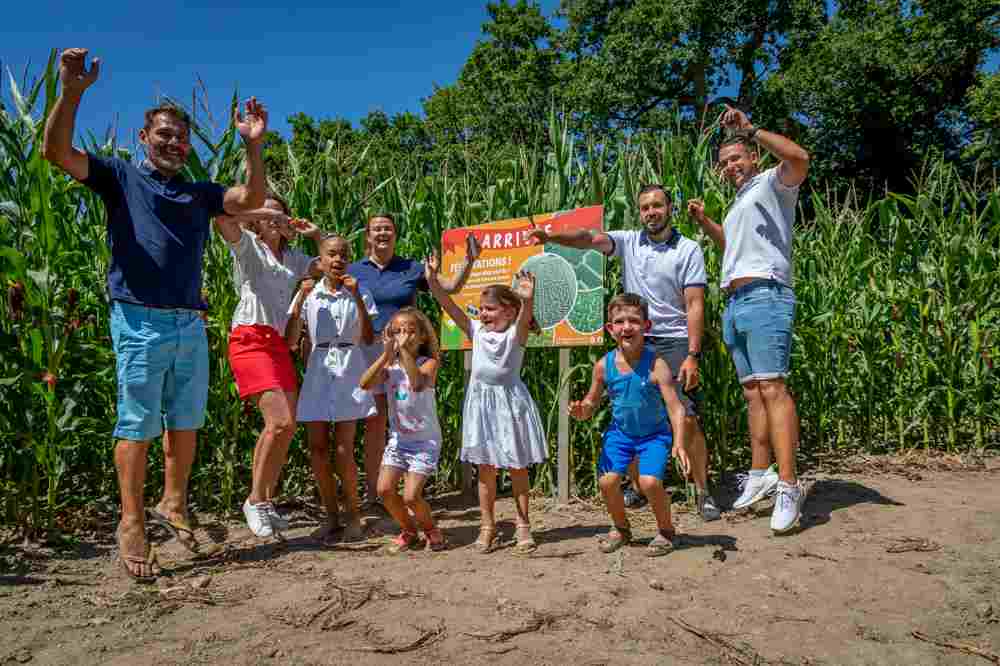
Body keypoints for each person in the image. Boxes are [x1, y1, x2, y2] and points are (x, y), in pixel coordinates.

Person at [42, 48, 270, 581]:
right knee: (138, 425)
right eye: (163, 134)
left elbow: (251, 195)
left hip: (190, 320)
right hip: (139, 318)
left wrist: (253, 146)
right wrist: (72, 91)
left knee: (185, 423)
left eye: (180, 137)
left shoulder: (200, 193)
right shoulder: (119, 176)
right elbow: (56, 152)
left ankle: (173, 503)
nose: (173, 143)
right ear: (144, 139)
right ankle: (130, 522)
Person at [528, 186, 721, 521]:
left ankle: (703, 490)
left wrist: (693, 354)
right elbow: (588, 238)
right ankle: (638, 484)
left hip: (673, 339)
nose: (651, 212)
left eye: (657, 205)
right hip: (635, 337)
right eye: (645, 207)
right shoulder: (629, 241)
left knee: (687, 416)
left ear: (669, 208)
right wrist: (552, 237)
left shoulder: (687, 249)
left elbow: (694, 304)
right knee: (630, 415)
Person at [686, 104, 810, 533]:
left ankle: (790, 485)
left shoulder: (774, 184)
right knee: (753, 393)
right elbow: (733, 249)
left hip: (766, 294)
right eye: (724, 163)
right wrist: (706, 223)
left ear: (754, 158)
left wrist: (751, 129)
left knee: (774, 388)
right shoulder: (740, 201)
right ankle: (761, 474)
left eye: (736, 158)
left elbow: (800, 158)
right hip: (736, 300)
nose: (730, 166)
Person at [349, 214, 478, 507]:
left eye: (388, 229)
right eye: (376, 229)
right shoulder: (355, 270)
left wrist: (468, 261)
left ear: (395, 235)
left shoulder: (410, 268)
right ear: (367, 236)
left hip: (407, 354)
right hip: (369, 352)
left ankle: (408, 486)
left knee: (403, 416)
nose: (382, 233)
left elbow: (447, 287)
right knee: (374, 422)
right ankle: (374, 491)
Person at [214, 196, 322, 537]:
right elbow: (223, 218)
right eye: (267, 212)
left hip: (276, 343)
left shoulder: (292, 258)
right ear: (258, 220)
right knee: (279, 421)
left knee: (287, 428)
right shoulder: (248, 246)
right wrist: (262, 212)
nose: (275, 217)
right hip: (249, 338)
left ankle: (265, 499)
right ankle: (255, 501)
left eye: (280, 211)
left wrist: (315, 235)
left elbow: (330, 263)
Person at [426, 253, 547, 554]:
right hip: (481, 404)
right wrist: (432, 281)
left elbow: (523, 319)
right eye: (481, 309)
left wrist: (527, 300)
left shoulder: (515, 335)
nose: (483, 314)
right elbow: (448, 306)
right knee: (486, 469)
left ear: (509, 311)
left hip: (509, 403)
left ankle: (522, 525)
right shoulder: (476, 331)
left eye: (490, 309)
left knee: (517, 467)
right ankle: (487, 526)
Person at [569, 294, 691, 556]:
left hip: (654, 436)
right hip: (620, 433)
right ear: (610, 329)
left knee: (649, 483)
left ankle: (666, 531)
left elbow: (675, 406)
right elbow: (590, 403)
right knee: (607, 482)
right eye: (619, 321)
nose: (627, 327)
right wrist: (582, 411)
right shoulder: (603, 366)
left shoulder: (657, 364)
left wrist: (679, 443)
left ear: (646, 326)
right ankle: (621, 528)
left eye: (634, 321)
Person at [286, 234, 376, 542]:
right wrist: (299, 299)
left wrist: (359, 297)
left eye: (343, 255)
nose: (337, 260)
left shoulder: (357, 291)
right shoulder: (309, 294)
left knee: (343, 448)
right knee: (318, 448)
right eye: (331, 254)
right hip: (319, 367)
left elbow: (368, 336)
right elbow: (290, 340)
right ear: (320, 260)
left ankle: (354, 514)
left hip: (350, 365)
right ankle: (331, 515)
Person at [360, 308, 447, 553]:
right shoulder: (390, 367)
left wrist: (404, 353)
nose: (402, 335)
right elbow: (365, 384)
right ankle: (409, 530)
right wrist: (385, 356)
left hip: (424, 442)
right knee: (384, 490)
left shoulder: (428, 363)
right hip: (399, 441)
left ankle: (431, 529)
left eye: (409, 331)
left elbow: (417, 383)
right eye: (397, 331)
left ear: (421, 337)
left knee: (411, 496)